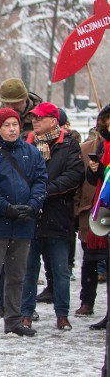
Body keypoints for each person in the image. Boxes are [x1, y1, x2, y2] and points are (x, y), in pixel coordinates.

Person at [0, 108, 47, 340]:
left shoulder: (31, 152)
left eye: (15, 124)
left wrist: (33, 205)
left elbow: (40, 180)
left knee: (18, 275)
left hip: (24, 222)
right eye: (7, 125)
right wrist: (5, 207)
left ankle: (13, 320)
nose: (13, 129)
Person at [21, 103, 84, 331]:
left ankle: (62, 314)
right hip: (31, 216)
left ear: (53, 120)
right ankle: (25, 312)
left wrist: (44, 191)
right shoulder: (26, 143)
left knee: (60, 270)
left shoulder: (68, 144)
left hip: (58, 215)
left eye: (40, 118)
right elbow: (18, 173)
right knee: (29, 269)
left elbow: (75, 175)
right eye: (33, 118)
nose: (35, 121)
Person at [80, 105, 110, 320]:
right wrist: (95, 170)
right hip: (104, 205)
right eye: (107, 122)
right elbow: (98, 180)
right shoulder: (104, 145)